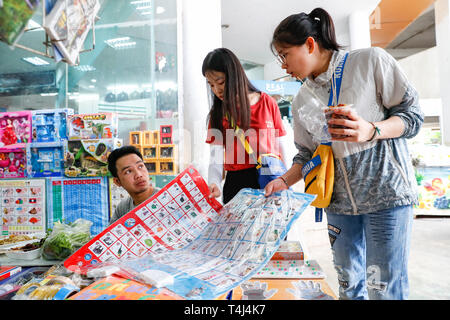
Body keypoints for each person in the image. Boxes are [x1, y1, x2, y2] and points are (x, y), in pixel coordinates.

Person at [265, 8, 423, 300]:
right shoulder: (301, 99)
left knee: (383, 289)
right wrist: (284, 181)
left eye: (285, 54)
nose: (284, 65)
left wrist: (371, 130)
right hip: (337, 206)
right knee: (349, 287)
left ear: (310, 45)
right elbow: (306, 154)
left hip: (385, 198)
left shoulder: (370, 62)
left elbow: (412, 116)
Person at [202, 48, 289, 204]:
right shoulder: (218, 114)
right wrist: (214, 183)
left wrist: (286, 179)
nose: (216, 90)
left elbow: (280, 147)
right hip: (237, 184)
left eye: (220, 82)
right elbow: (215, 157)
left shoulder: (267, 102)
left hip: (270, 177)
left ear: (235, 75)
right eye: (211, 85)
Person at [107, 145, 160, 224]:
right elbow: (110, 235)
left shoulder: (166, 198)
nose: (138, 175)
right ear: (117, 182)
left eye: (140, 166)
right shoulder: (123, 209)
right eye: (128, 171)